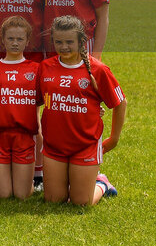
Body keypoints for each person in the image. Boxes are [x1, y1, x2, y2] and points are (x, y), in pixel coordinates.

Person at [39, 15, 126, 206]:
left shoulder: (98, 70)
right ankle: (76, 181)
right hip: (54, 145)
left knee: (81, 203)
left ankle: (101, 183)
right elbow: (37, 101)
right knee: (54, 200)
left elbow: (120, 103)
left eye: (70, 42)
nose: (64, 47)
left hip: (85, 145)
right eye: (58, 42)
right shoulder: (45, 67)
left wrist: (114, 138)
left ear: (82, 41)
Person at [0, 16, 39, 199]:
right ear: (2, 39)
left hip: (24, 137)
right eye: (11, 39)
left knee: (22, 196)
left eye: (20, 39)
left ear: (27, 41)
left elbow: (55, 95)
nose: (15, 43)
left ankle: (102, 181)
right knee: (4, 195)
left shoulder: (37, 69)